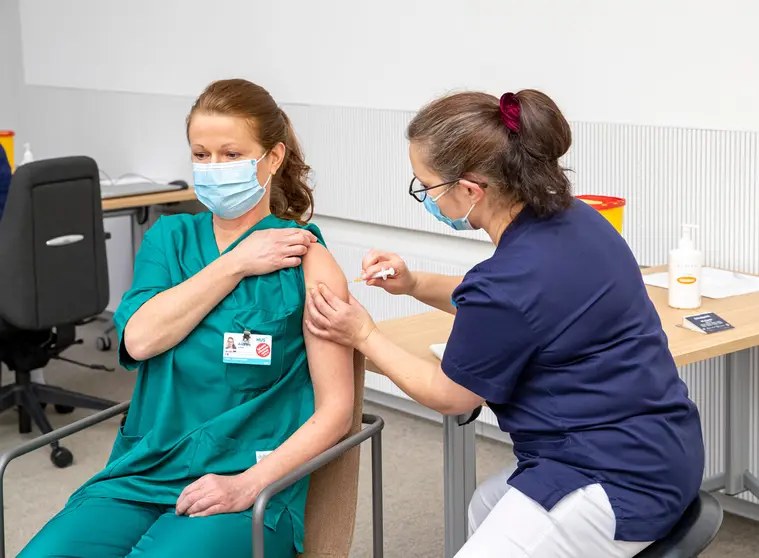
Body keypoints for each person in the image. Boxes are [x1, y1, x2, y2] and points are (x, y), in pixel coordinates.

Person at [305, 90, 705, 557]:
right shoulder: (575, 219)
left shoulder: (508, 282)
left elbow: (452, 395)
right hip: (664, 446)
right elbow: (515, 308)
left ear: (471, 189)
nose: (426, 199)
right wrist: (413, 283)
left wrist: (364, 334)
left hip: (612, 477)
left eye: (427, 187)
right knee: (485, 508)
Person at [20, 79, 355, 558]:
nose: (213, 169)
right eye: (201, 155)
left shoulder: (307, 259)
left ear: (274, 158)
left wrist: (248, 486)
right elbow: (139, 340)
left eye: (231, 154)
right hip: (141, 471)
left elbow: (336, 409)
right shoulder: (168, 238)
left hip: (248, 482)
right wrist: (236, 262)